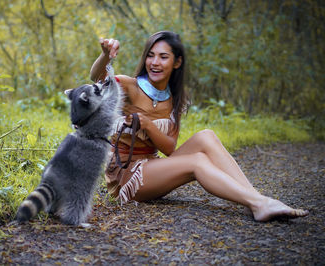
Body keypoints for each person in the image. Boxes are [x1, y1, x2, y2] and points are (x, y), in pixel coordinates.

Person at [89, 31, 308, 222]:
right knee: (197, 162)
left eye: (163, 57)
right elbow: (96, 77)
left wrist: (148, 124)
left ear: (177, 62)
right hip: (127, 177)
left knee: (206, 136)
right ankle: (258, 203)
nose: (155, 62)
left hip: (152, 168)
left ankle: (256, 201)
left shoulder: (175, 99)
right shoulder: (129, 86)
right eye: (151, 55)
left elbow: (169, 148)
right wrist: (106, 54)